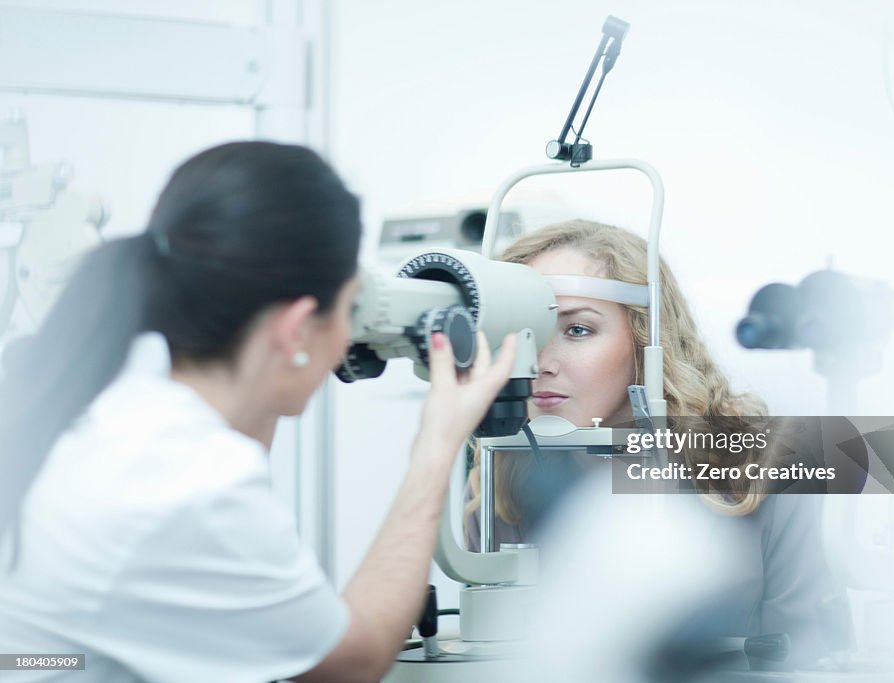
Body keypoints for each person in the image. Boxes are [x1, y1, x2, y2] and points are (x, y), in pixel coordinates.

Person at [0, 141, 516, 683]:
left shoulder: (109, 396)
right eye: (349, 311)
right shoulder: (185, 475)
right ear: (295, 329)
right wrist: (437, 446)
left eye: (585, 330)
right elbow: (351, 662)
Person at [464, 219, 837, 668]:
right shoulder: (502, 476)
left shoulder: (762, 457)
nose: (541, 361)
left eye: (577, 330)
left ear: (646, 338)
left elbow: (805, 652)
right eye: (523, 332)